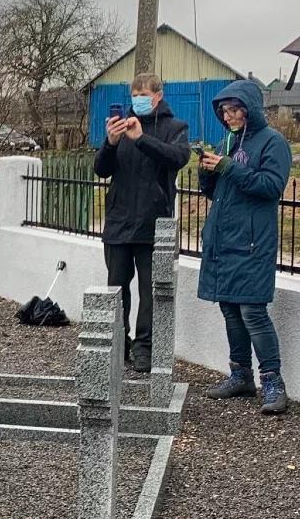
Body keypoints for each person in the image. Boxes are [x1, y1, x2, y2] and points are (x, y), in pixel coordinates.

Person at [197, 80, 293, 414]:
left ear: (250, 108)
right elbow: (218, 193)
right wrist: (207, 171)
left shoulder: (273, 142)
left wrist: (228, 166)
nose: (229, 115)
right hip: (224, 240)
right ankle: (240, 375)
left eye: (235, 109)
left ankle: (273, 382)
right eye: (224, 111)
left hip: (253, 243)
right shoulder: (229, 141)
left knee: (252, 310)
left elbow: (269, 186)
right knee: (230, 308)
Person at [93, 73, 190, 372]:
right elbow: (101, 170)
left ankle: (144, 348)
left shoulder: (175, 128)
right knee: (116, 289)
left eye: (144, 94)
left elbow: (178, 157)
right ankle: (118, 344)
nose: (139, 99)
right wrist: (110, 142)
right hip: (119, 223)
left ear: (158, 96)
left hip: (153, 224)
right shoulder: (121, 127)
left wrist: (142, 139)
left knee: (150, 293)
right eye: (135, 93)